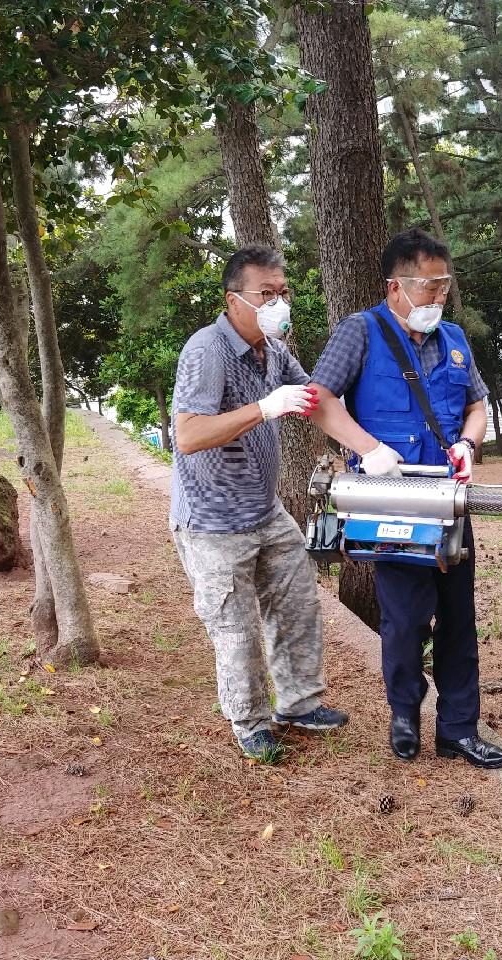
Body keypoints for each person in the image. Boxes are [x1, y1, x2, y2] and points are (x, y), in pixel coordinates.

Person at [307, 228, 502, 770]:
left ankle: (458, 730)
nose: (438, 297)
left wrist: (469, 443)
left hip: (449, 501)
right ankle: (404, 714)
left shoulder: (456, 339)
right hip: (390, 500)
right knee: (404, 618)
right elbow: (319, 401)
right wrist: (369, 449)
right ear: (395, 285)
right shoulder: (361, 332)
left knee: (459, 618)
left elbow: (478, 404)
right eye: (428, 286)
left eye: (444, 286)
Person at [170, 245, 348, 761]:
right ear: (233, 300)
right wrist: (264, 408)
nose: (278, 303)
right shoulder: (208, 350)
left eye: (283, 292)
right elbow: (188, 435)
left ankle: (298, 703)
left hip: (264, 510)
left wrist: (373, 451)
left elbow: (316, 400)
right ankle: (249, 722)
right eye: (265, 294)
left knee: (298, 603)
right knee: (236, 628)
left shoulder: (274, 350)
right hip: (211, 521)